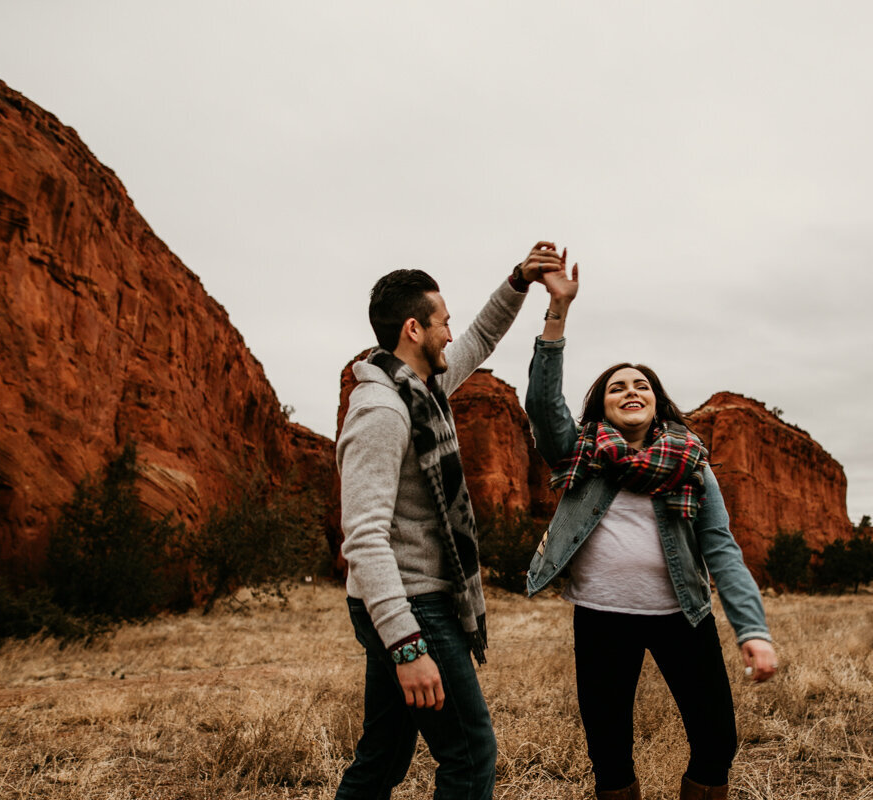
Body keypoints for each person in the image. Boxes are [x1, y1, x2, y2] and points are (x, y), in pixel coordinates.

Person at [524, 262, 779, 800]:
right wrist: (558, 312)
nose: (630, 391)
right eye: (617, 387)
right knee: (609, 751)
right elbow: (545, 405)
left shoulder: (691, 463)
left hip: (681, 615)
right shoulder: (582, 452)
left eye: (641, 385)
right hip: (602, 617)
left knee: (717, 741)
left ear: (658, 401)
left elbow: (721, 548)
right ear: (603, 404)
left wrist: (752, 630)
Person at [334, 243, 563, 800]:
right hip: (413, 606)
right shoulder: (382, 411)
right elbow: (362, 537)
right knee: (469, 754)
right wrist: (408, 646)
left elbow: (482, 337)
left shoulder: (423, 391)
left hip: (414, 602)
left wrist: (520, 280)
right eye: (444, 323)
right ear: (414, 329)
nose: (452, 334)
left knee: (382, 757)